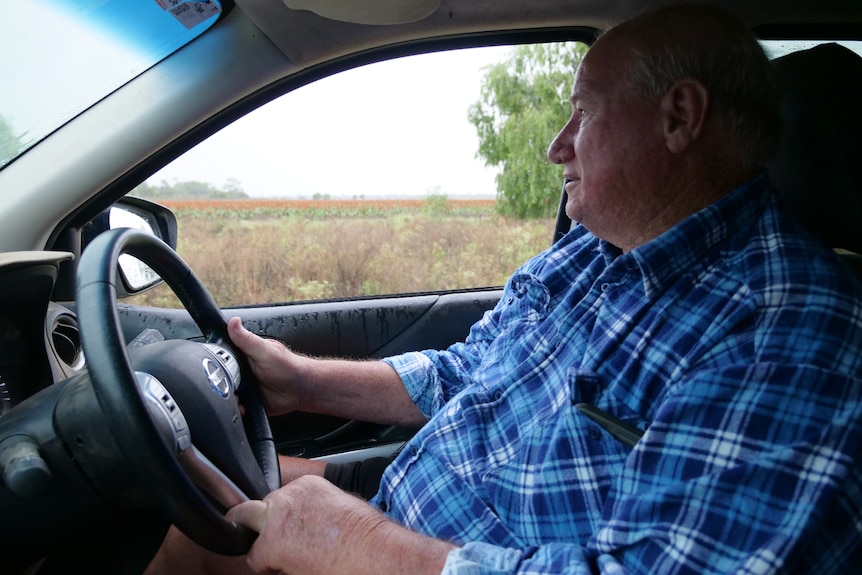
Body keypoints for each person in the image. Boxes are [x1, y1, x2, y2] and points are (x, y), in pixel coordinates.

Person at [146, 4, 862, 574]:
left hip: (412, 551)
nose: (557, 143)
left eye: (584, 111)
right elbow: (468, 370)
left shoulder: (790, 337)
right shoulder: (591, 253)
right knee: (195, 523)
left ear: (678, 117)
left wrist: (354, 544)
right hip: (409, 515)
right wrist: (302, 381)